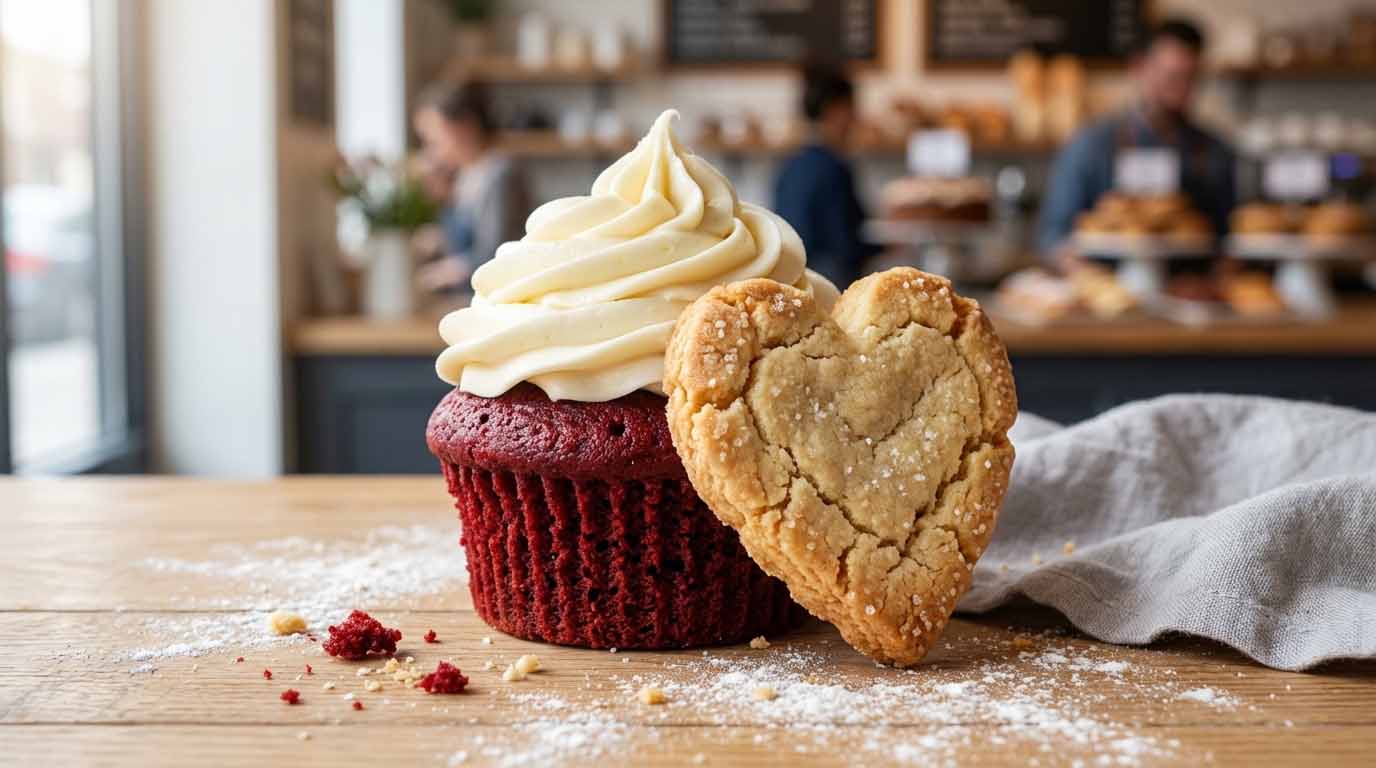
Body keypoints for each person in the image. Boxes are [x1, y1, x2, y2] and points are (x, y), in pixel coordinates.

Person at [1038, 19, 1235, 263]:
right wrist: (1088, 278)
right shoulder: (1090, 146)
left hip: (1188, 292)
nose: (1181, 91)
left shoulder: (1216, 152)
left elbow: (1230, 240)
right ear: (1139, 68)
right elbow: (1053, 236)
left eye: (1191, 78)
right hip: (1107, 285)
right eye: (1172, 77)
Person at [412, 81, 529, 294]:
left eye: (434, 137)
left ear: (465, 126)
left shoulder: (501, 173)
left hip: (500, 296)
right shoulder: (462, 176)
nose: (431, 149)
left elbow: (496, 252)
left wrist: (449, 270)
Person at [773, 63, 878, 289]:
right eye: (852, 108)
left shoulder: (789, 165)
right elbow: (846, 244)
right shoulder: (833, 168)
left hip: (791, 280)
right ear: (836, 110)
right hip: (829, 284)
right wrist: (888, 245)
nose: (855, 118)